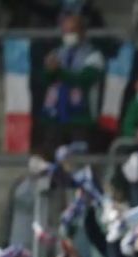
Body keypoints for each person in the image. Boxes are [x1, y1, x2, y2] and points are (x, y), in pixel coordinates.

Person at [38, 14, 104, 157]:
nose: (68, 35)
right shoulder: (56, 53)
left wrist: (58, 72)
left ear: (82, 32)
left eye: (72, 30)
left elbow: (84, 80)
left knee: (78, 163)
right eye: (66, 31)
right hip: (54, 117)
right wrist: (49, 71)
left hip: (81, 119)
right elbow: (45, 80)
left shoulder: (94, 55)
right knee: (51, 161)